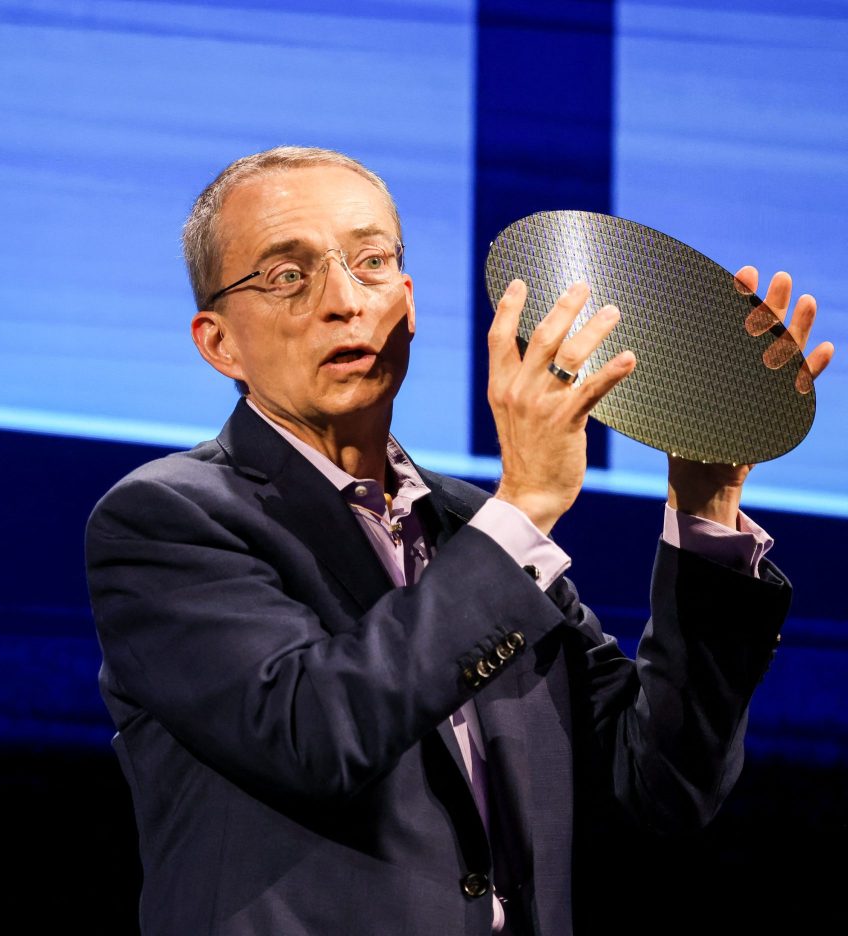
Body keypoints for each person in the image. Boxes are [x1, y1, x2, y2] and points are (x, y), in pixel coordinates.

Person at [83, 146, 834, 935]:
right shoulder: (166, 521)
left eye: (371, 261)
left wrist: (704, 504)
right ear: (218, 342)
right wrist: (527, 505)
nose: (344, 300)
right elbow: (314, 736)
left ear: (407, 301)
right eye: (288, 275)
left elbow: (662, 786)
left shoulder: (477, 531)